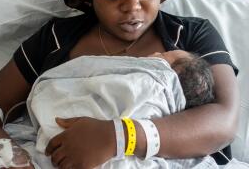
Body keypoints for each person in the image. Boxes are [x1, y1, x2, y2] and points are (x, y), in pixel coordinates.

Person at [0, 0, 239, 168]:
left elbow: (224, 122)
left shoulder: (190, 35)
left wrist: (119, 136)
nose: (131, 6)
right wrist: (1, 148)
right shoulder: (58, 38)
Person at [27, 50, 216, 168]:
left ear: (172, 72)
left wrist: (119, 136)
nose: (157, 53)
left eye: (165, 56)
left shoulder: (156, 82)